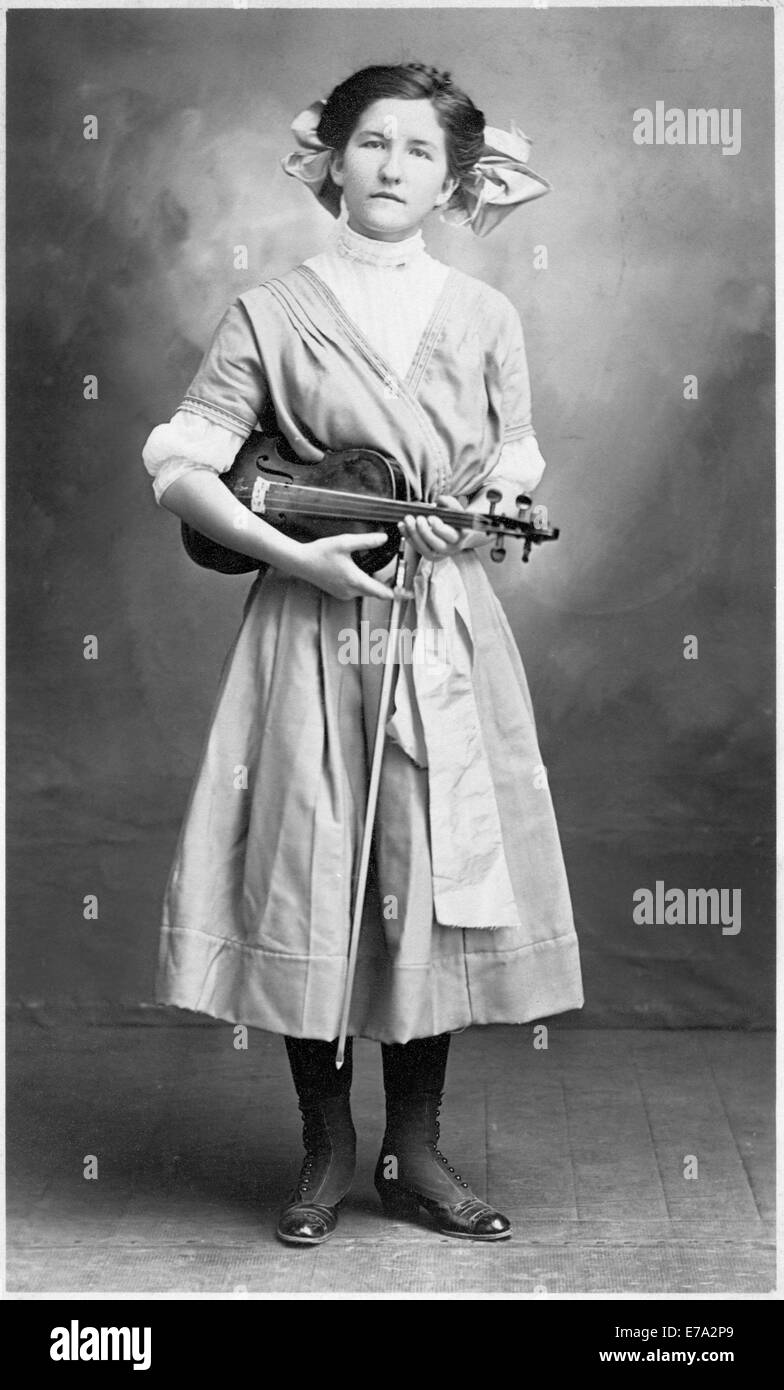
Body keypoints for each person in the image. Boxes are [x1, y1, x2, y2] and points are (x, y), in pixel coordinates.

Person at [142, 60, 584, 1247]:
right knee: (310, 860)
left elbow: (518, 456)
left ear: (451, 182)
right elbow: (185, 462)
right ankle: (326, 1141)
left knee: (426, 868)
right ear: (331, 158)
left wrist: (475, 503)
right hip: (308, 627)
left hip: (439, 627)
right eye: (373, 143)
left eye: (419, 154)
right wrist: (300, 559)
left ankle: (415, 1146)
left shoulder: (487, 315)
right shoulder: (271, 311)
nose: (393, 168)